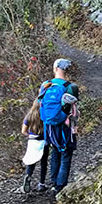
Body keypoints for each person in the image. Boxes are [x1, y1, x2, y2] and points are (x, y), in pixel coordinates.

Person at [38, 58, 79, 196]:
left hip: (49, 126)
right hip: (65, 126)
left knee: (55, 151)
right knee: (66, 153)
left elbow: (40, 104)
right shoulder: (71, 87)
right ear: (66, 70)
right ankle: (60, 186)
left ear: (55, 68)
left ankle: (54, 182)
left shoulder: (45, 85)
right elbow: (73, 110)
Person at [20, 101, 51, 194]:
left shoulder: (29, 116)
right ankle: (41, 183)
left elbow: (23, 131)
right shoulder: (45, 115)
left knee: (31, 161)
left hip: (32, 141)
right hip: (43, 141)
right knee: (44, 162)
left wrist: (29, 135)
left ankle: (28, 177)